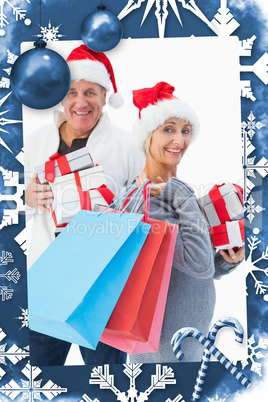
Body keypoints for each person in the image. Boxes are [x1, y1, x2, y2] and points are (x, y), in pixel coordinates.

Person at [24, 45, 144, 366]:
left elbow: (151, 202)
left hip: (104, 289)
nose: (80, 102)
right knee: (40, 381)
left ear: (105, 96)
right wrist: (27, 198)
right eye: (72, 92)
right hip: (47, 284)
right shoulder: (35, 141)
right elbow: (13, 204)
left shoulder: (128, 145)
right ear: (60, 96)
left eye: (90, 92)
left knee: (107, 383)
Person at [127, 81, 245, 363]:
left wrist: (225, 261)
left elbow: (187, 273)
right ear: (147, 135)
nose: (179, 141)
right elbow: (197, 266)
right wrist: (182, 193)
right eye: (168, 129)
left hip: (183, 344)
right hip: (167, 352)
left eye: (185, 131)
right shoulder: (152, 199)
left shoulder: (168, 191)